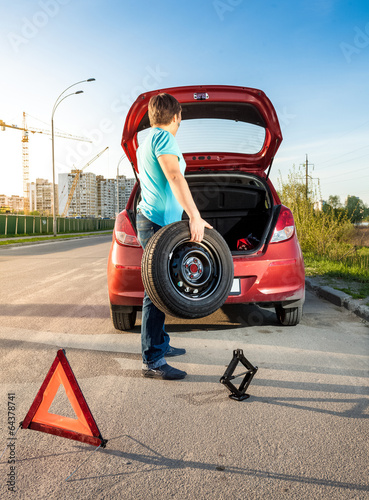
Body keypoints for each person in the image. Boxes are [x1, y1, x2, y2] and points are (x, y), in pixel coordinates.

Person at [136, 93, 212, 380]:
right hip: (156, 223)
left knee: (160, 286)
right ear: (177, 116)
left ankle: (160, 344)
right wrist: (194, 215)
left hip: (155, 221)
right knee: (155, 291)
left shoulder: (147, 141)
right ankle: (153, 360)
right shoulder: (164, 139)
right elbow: (174, 177)